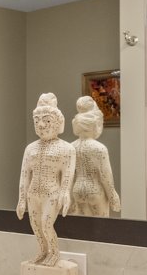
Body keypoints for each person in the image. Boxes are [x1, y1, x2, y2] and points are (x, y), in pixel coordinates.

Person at [15, 93, 76, 266]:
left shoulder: (67, 149)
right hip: (33, 193)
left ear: (57, 123)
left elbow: (67, 175)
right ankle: (42, 251)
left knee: (46, 225)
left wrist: (65, 193)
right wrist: (21, 199)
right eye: (37, 121)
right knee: (35, 226)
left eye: (47, 120)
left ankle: (54, 253)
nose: (41, 125)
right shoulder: (30, 148)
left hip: (52, 193)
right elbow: (24, 175)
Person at [70, 95, 121, 217]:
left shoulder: (71, 147)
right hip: (95, 190)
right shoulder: (99, 148)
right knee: (101, 226)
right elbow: (105, 175)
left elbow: (71, 175)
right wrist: (113, 196)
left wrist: (70, 197)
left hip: (77, 190)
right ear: (95, 124)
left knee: (81, 227)